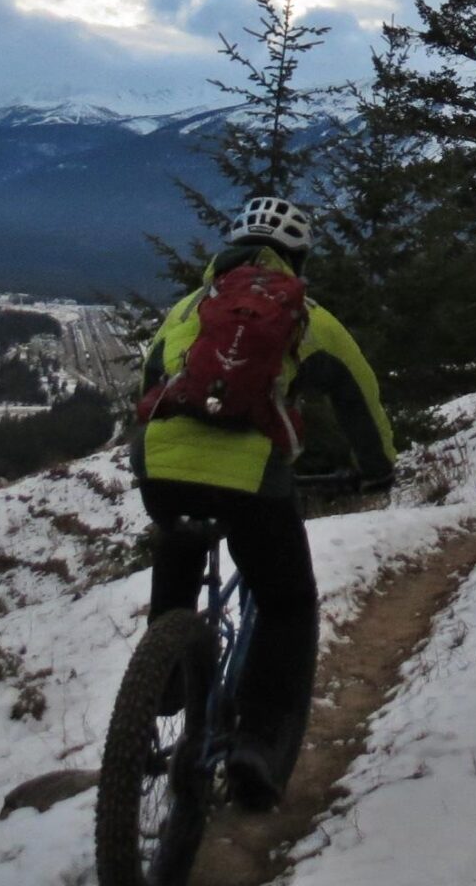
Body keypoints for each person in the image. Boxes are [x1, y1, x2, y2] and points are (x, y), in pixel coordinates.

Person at [133, 195, 395, 809]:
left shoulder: (186, 309)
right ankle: (259, 748)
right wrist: (377, 469)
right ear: (296, 260)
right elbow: (361, 396)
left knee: (179, 547)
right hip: (252, 478)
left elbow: (147, 384)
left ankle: (159, 688)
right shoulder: (309, 317)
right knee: (286, 602)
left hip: (161, 465)